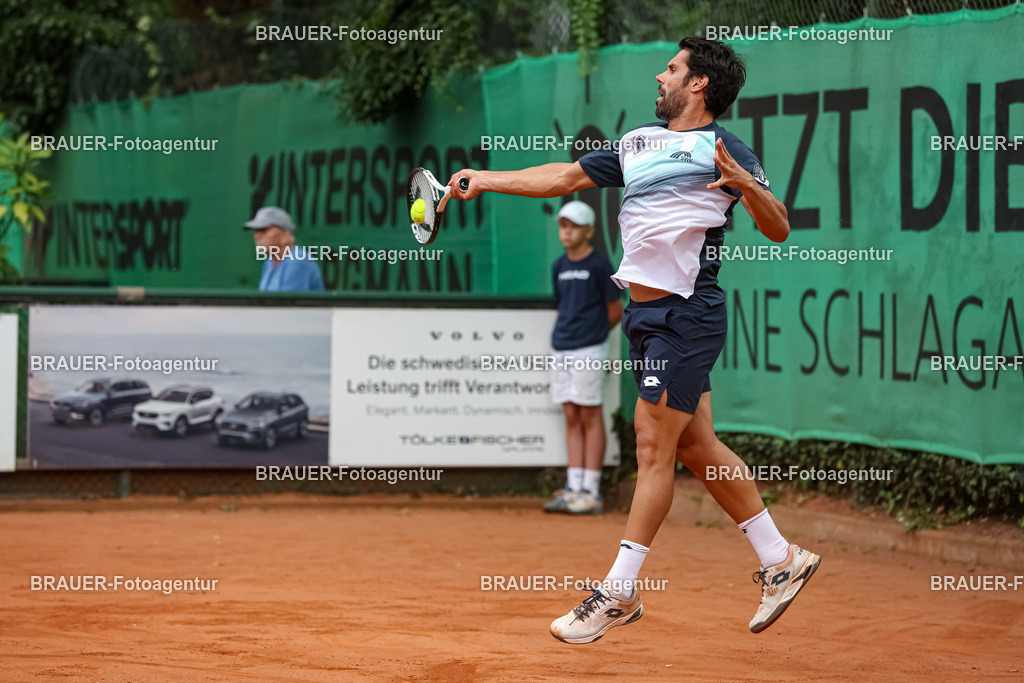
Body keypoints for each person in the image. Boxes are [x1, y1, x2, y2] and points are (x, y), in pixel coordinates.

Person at [449, 37, 820, 643]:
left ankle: (618, 592)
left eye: (671, 69)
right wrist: (483, 179)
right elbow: (563, 177)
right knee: (696, 447)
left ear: (698, 85)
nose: (660, 75)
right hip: (644, 319)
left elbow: (778, 225)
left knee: (651, 445)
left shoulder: (722, 147)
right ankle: (781, 560)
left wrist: (745, 186)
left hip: (687, 314)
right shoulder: (635, 143)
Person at [544, 200, 623, 516]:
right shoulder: (558, 266)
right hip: (560, 347)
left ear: (589, 231)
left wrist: (592, 336)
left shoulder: (600, 265)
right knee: (571, 415)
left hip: (589, 349)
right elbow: (563, 305)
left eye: (574, 226)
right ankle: (574, 486)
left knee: (590, 415)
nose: (567, 231)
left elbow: (615, 310)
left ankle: (591, 491)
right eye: (563, 225)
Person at [244, 206, 324, 292]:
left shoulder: (298, 262)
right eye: (256, 231)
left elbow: (288, 305)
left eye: (263, 230)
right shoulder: (270, 261)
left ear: (285, 235)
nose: (256, 236)